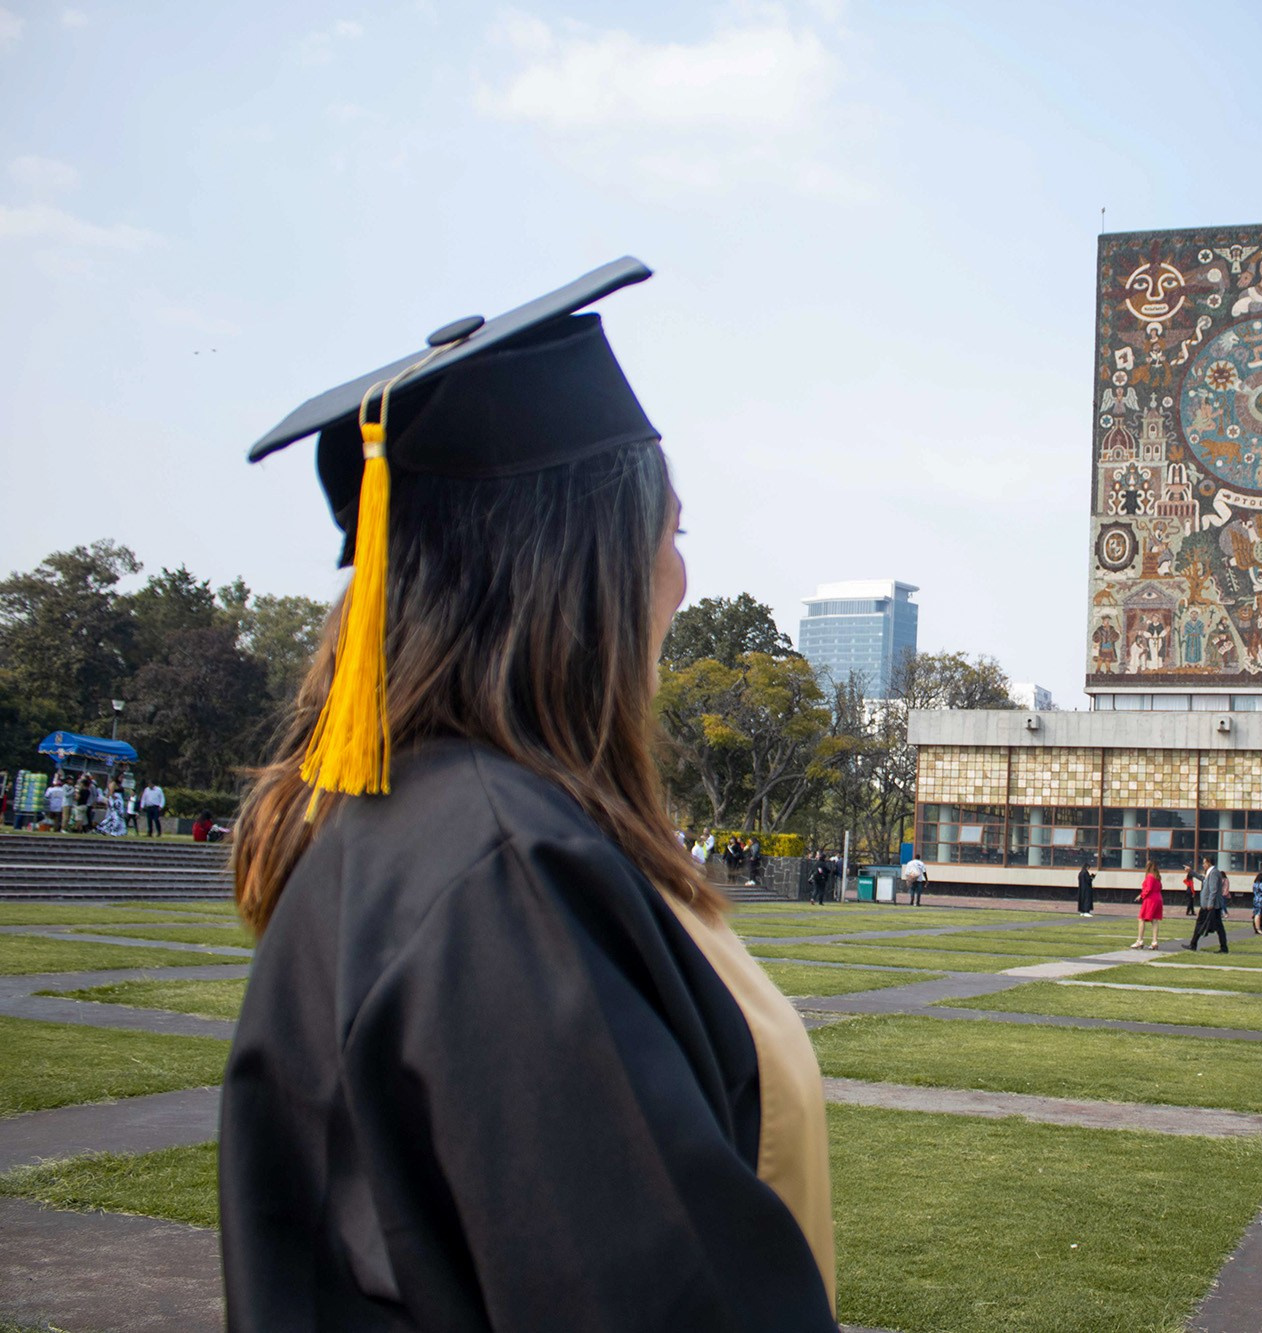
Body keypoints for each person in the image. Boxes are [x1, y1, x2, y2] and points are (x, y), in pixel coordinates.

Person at [218, 263, 838, 1328]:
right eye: (672, 531)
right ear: (584, 558)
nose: (680, 575)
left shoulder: (404, 832)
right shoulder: (506, 869)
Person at [1186, 857, 1229, 953]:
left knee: (1213, 926)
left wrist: (1210, 903)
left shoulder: (1214, 873)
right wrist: (1191, 872)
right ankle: (1193, 944)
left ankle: (1223, 948)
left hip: (1210, 906)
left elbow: (1213, 890)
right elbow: (1203, 879)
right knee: (1214, 926)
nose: (1203, 865)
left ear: (1209, 863)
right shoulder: (1210, 872)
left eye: (1204, 863)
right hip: (1209, 905)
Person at [1132, 859, 1164, 950]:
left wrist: (1141, 896)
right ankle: (1154, 942)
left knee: (1141, 918)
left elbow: (1148, 888)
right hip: (1158, 898)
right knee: (1155, 920)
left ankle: (1140, 940)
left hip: (1150, 899)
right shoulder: (1157, 877)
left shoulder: (1150, 876)